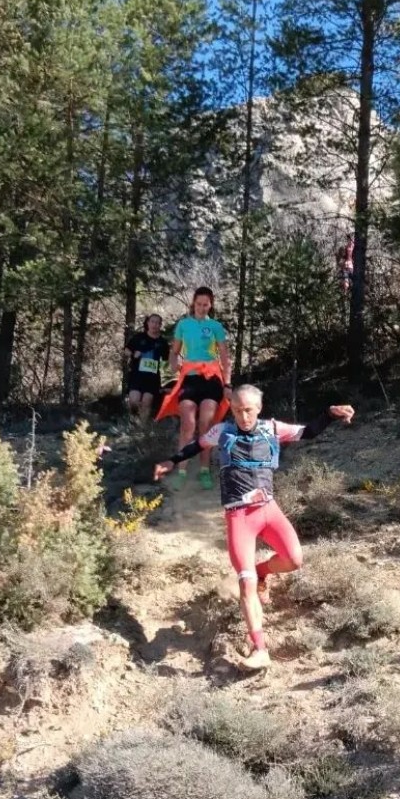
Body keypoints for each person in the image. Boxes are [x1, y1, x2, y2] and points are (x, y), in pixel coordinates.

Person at [154, 385, 355, 671]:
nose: (243, 416)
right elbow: (197, 445)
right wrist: (171, 461)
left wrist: (329, 414)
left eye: (248, 409)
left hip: (268, 510)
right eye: (237, 410)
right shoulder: (222, 431)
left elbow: (307, 432)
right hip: (239, 517)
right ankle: (259, 648)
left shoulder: (272, 428)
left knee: (294, 559)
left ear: (259, 408)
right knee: (245, 584)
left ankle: (263, 572)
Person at [159, 287, 232, 491]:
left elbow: (225, 357)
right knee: (188, 424)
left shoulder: (216, 326)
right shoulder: (183, 325)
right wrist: (173, 363)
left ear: (211, 305)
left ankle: (204, 470)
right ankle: (181, 470)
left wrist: (227, 383)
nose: (201, 307)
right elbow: (174, 352)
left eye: (206, 304)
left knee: (206, 424)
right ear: (193, 303)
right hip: (190, 378)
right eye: (198, 304)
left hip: (211, 378)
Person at [122, 314, 169, 419]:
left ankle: (142, 429)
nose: (154, 325)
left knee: (146, 403)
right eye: (152, 322)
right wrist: (133, 354)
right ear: (148, 323)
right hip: (137, 375)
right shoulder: (139, 337)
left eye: (157, 323)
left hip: (152, 378)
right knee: (134, 401)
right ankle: (132, 421)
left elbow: (166, 361)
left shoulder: (163, 342)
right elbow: (126, 350)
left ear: (160, 325)